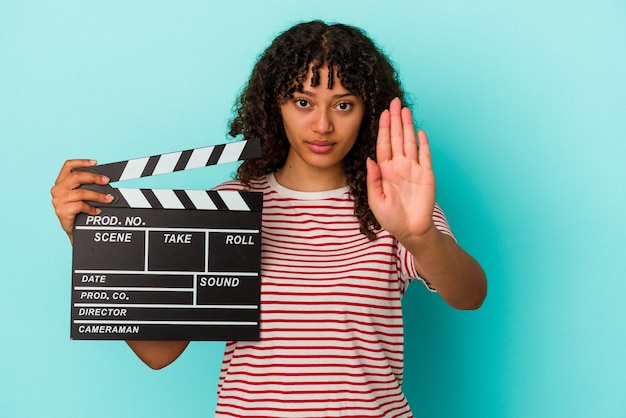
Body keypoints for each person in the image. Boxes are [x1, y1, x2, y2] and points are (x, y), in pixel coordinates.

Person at [51, 20, 486, 418]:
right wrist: (89, 240)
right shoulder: (229, 207)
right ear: (275, 105)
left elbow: (470, 295)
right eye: (303, 101)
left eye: (343, 105)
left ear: (367, 112)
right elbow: (159, 352)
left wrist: (420, 234)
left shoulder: (395, 204)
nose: (321, 125)